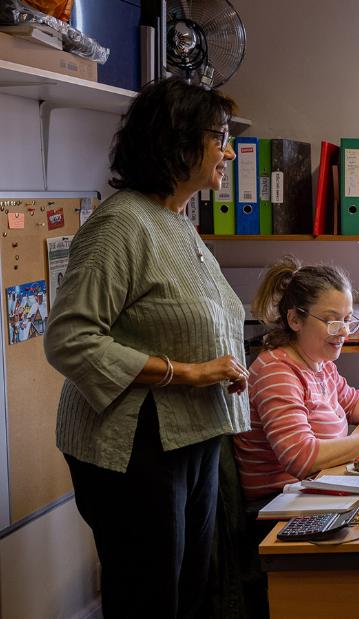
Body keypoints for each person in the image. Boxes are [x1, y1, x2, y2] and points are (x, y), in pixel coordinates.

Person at [43, 78, 250, 617]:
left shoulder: (178, 224)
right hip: (135, 447)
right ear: (178, 140)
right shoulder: (121, 226)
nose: (228, 150)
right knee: (150, 601)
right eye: (219, 136)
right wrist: (187, 372)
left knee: (192, 597)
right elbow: (71, 339)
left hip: (195, 435)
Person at [233, 257, 359, 501]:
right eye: (332, 321)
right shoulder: (275, 372)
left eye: (346, 320)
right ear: (295, 320)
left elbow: (352, 402)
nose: (342, 331)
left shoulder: (320, 363)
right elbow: (302, 458)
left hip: (316, 488)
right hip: (280, 504)